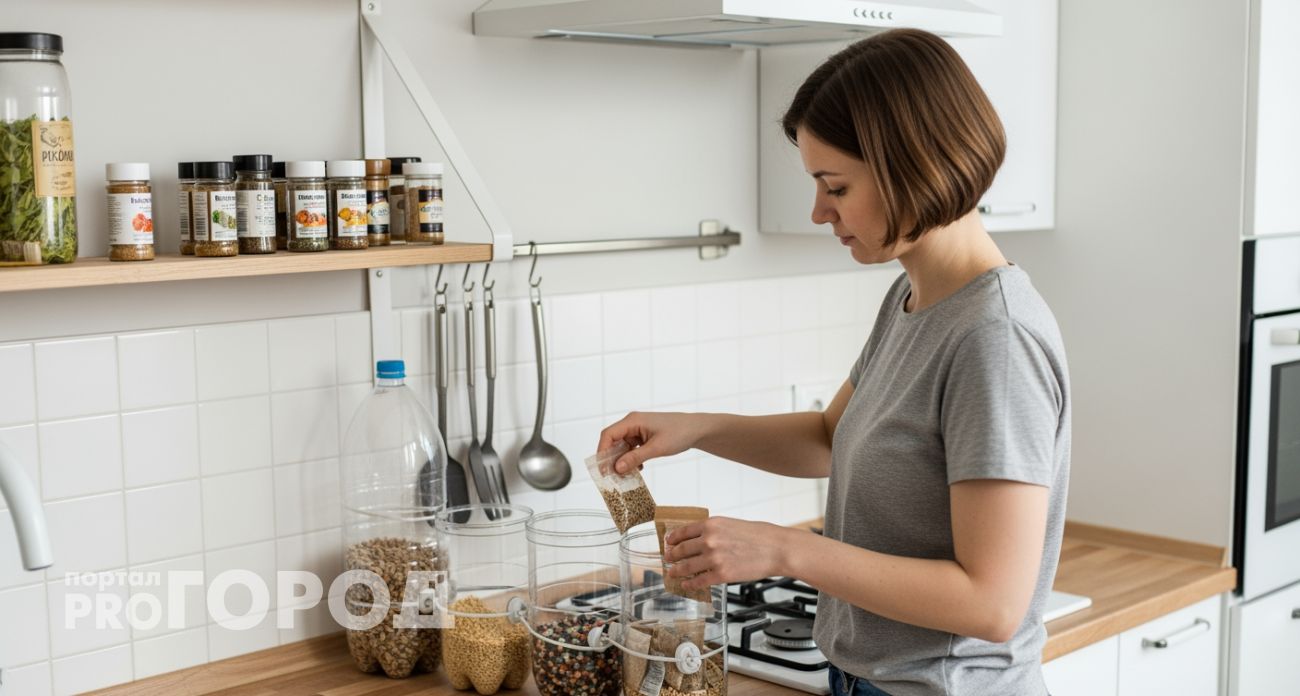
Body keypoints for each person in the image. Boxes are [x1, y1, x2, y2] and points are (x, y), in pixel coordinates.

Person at [597, 28, 1070, 696]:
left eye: (836, 186)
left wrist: (786, 549)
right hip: (861, 680)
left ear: (916, 166)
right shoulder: (914, 299)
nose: (820, 211)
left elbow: (991, 604)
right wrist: (698, 428)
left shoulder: (995, 339)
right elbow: (828, 438)